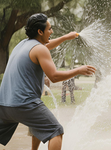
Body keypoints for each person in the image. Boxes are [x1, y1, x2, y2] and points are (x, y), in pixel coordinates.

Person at [0, 13, 96, 150]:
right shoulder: (40, 49)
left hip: (4, 104)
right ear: (40, 31)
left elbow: (46, 45)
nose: (52, 32)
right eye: (49, 29)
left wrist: (65, 37)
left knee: (38, 124)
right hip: (24, 103)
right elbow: (54, 76)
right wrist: (78, 70)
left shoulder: (23, 44)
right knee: (56, 131)